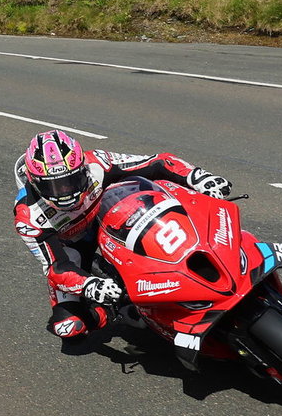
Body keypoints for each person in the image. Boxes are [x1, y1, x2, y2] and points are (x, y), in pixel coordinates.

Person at [12, 129, 232, 341]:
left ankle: (212, 248)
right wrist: (89, 284)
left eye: (71, 181)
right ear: (34, 182)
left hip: (112, 215)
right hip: (73, 247)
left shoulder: (98, 162)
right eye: (53, 186)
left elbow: (157, 162)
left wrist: (196, 176)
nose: (65, 192)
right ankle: (113, 311)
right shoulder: (28, 217)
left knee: (163, 195)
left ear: (82, 168)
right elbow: (56, 267)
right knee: (68, 327)